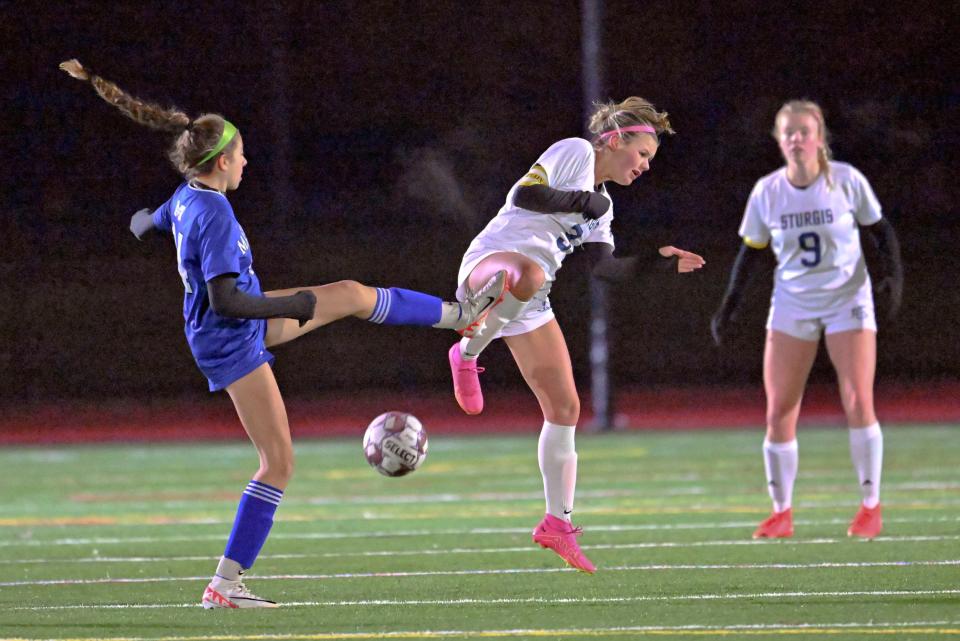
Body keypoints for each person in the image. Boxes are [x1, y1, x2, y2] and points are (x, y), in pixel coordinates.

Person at [60, 59, 505, 608]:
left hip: (228, 325)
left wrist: (140, 223)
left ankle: (458, 316)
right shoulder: (214, 215)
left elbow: (155, 219)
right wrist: (291, 304)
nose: (247, 161)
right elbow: (227, 299)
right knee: (280, 463)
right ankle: (224, 584)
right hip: (230, 337)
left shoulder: (188, 197)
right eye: (242, 153)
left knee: (348, 294)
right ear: (222, 161)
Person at [447, 97, 705, 573]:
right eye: (643, 154)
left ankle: (557, 524)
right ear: (614, 140)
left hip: (528, 297)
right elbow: (527, 196)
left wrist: (659, 261)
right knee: (522, 273)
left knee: (565, 408)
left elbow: (604, 270)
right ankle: (466, 350)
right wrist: (586, 199)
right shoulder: (576, 153)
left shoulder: (603, 209)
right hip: (490, 268)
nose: (646, 166)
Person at [710, 99, 903, 540]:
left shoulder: (847, 181)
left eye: (804, 130)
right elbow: (750, 251)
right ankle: (782, 512)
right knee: (779, 409)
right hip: (793, 302)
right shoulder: (768, 191)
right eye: (788, 132)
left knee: (857, 398)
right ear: (779, 140)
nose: (796, 139)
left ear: (820, 137)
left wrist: (894, 277)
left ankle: (870, 506)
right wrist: (729, 304)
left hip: (846, 298)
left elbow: (881, 229)